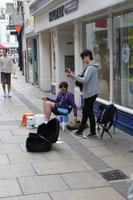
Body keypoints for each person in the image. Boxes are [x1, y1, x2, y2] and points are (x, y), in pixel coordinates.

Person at [66, 49, 99, 137]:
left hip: (90, 94)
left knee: (86, 112)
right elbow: (85, 78)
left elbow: (84, 80)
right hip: (90, 93)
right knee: (89, 112)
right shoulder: (89, 67)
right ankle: (90, 132)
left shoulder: (91, 68)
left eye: (83, 57)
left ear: (88, 56)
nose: (83, 60)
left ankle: (82, 131)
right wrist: (77, 75)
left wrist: (73, 76)